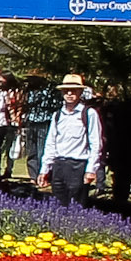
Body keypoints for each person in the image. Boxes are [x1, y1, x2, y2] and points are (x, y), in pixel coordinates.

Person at [39, 74, 103, 206]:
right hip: (59, 165)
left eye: (73, 90)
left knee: (76, 205)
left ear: (80, 92)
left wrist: (91, 169)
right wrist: (45, 169)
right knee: (58, 204)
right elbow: (51, 142)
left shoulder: (89, 114)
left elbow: (95, 143)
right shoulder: (57, 115)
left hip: (78, 165)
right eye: (66, 90)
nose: (69, 93)